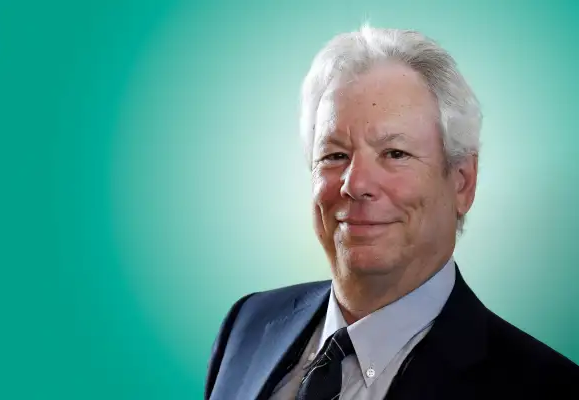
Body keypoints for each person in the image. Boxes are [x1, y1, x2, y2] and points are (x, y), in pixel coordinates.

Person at [204, 25, 579, 400]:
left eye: (395, 153)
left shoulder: (545, 386)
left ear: (462, 182)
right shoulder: (249, 324)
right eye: (335, 155)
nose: (356, 183)